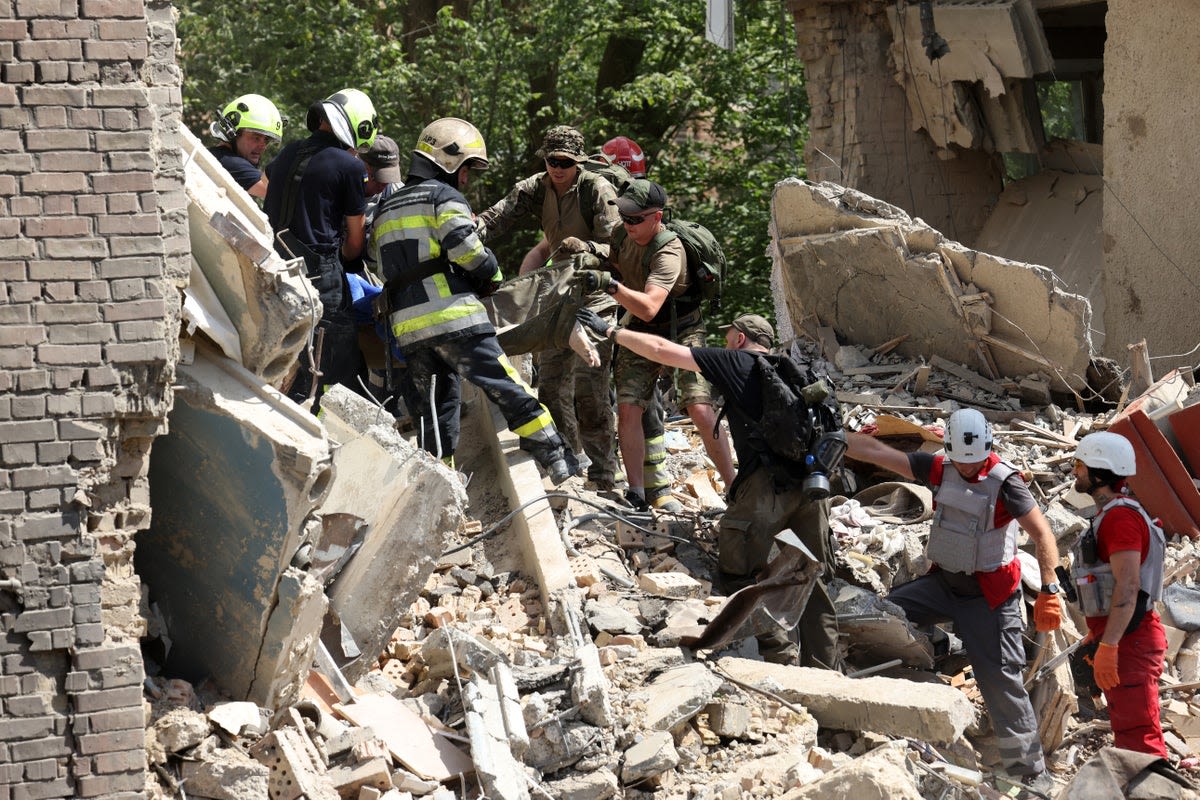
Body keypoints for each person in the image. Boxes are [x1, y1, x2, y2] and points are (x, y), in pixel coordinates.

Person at [577, 309, 841, 667]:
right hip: (813, 487)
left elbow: (660, 348)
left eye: (728, 335)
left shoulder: (735, 362)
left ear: (740, 339)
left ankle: (782, 667)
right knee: (813, 581)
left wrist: (611, 331)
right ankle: (827, 671)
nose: (725, 340)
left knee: (744, 575)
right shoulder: (794, 373)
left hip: (765, 489)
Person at [845, 409, 1060, 793]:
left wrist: (1049, 588)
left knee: (999, 679)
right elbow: (881, 454)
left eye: (974, 460)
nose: (966, 468)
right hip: (943, 584)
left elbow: (1043, 534)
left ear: (988, 448)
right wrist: (837, 439)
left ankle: (1031, 773)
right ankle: (949, 646)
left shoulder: (1005, 483)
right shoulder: (941, 467)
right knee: (887, 615)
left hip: (989, 597)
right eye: (961, 461)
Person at [371, 117, 571, 483]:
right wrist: (493, 274)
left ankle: (440, 485)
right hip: (455, 318)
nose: (465, 179)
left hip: (408, 330)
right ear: (448, 160)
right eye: (465, 169)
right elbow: (468, 251)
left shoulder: (385, 208)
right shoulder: (443, 197)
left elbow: (381, 263)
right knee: (504, 384)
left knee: (435, 409)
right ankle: (557, 457)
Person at [476, 125, 621, 484]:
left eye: (566, 162)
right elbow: (496, 218)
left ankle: (605, 475)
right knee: (552, 387)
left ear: (579, 163)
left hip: (597, 296)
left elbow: (620, 248)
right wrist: (464, 232)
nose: (557, 168)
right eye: (552, 161)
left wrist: (587, 248)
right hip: (560, 294)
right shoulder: (534, 187)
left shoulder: (597, 190)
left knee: (591, 389)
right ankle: (573, 463)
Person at [579, 179, 735, 510]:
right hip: (640, 327)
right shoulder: (623, 235)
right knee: (628, 407)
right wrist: (591, 254)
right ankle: (637, 492)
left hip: (681, 330)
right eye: (624, 216)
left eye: (636, 218)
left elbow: (649, 306)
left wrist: (611, 287)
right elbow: (620, 262)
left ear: (657, 217)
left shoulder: (669, 250)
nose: (628, 224)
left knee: (700, 409)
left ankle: (735, 486)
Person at [264, 88, 378, 410]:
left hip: (276, 267)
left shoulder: (286, 154)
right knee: (334, 364)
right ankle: (322, 424)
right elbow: (354, 243)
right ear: (357, 126)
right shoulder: (349, 166)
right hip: (319, 276)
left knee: (289, 356)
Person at [1069, 431, 1167, 758]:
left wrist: (1109, 645)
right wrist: (1097, 636)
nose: (1074, 472)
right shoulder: (1112, 515)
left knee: (1140, 740)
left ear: (1099, 471)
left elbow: (1128, 587)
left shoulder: (1120, 519)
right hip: (1123, 638)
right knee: (1129, 734)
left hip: (1131, 642)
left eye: (1080, 465)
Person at [208, 93, 284, 198]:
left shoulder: (218, 156)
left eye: (266, 140)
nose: (263, 146)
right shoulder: (230, 162)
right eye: (256, 138)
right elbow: (278, 193)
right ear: (232, 134)